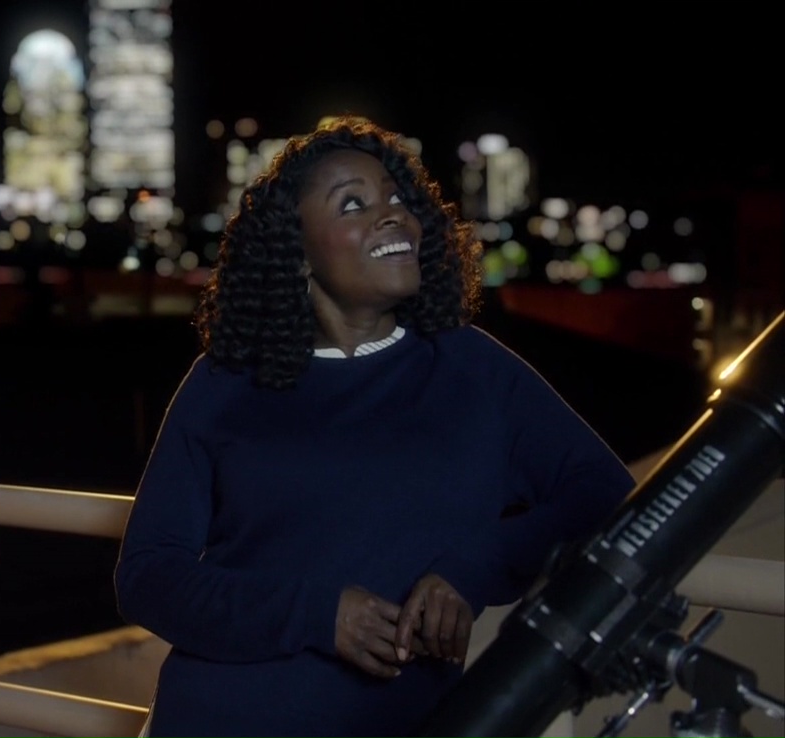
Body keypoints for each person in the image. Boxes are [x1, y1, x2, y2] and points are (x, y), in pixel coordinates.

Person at [114, 115, 637, 738]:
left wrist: (475, 569)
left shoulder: (470, 368)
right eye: (353, 204)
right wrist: (318, 615)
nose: (392, 216)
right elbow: (148, 577)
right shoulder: (224, 382)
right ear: (297, 252)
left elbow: (602, 493)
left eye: (396, 199)